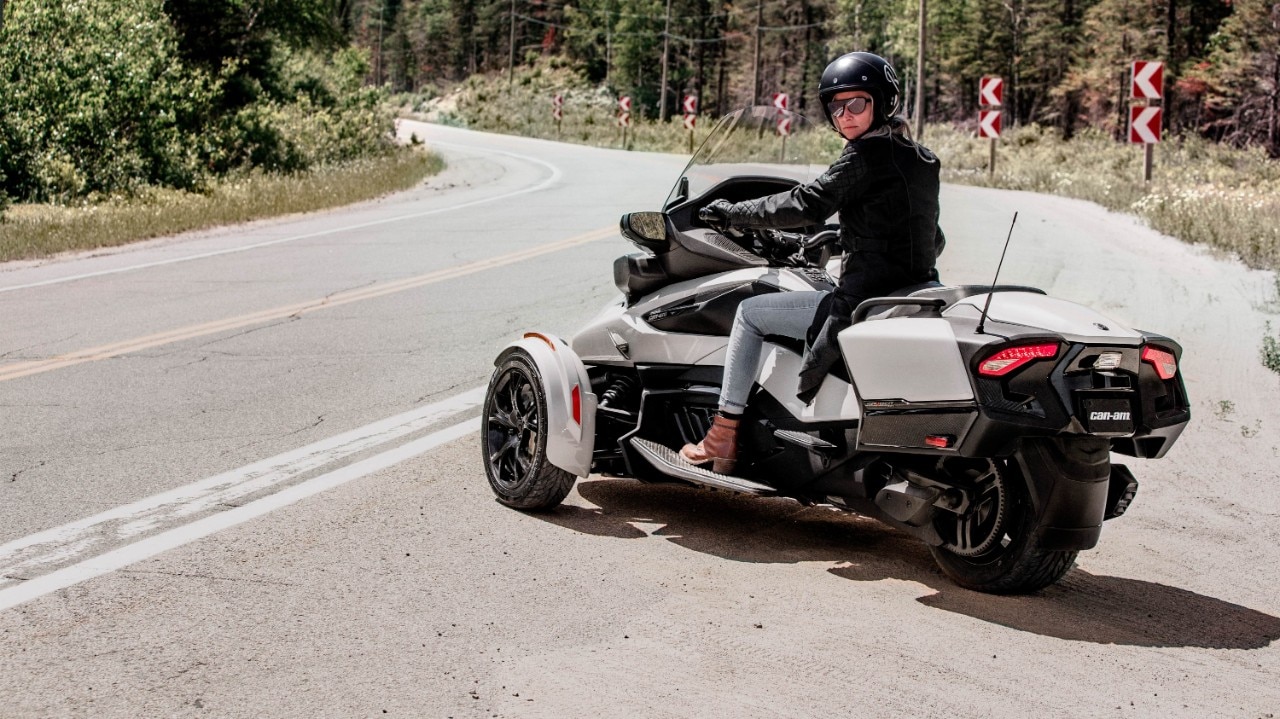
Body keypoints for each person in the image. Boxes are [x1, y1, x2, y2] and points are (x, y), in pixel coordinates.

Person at [679, 51, 946, 475]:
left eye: (856, 102)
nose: (845, 114)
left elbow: (804, 204)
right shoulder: (920, 159)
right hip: (915, 292)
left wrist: (730, 212)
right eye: (836, 106)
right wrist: (845, 239)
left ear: (882, 101)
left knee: (749, 314)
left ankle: (723, 430)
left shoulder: (863, 155)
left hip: (863, 301)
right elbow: (927, 235)